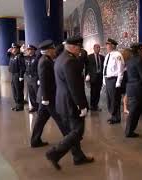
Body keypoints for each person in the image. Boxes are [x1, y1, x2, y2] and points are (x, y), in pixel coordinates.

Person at [46, 36, 93, 170]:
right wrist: (82, 106)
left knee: (72, 131)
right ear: (72, 47)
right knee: (78, 131)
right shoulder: (70, 61)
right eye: (79, 48)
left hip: (62, 101)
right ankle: (54, 153)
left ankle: (78, 157)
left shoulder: (60, 58)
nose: (80, 51)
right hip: (71, 103)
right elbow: (75, 87)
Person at [30, 40, 68, 148]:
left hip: (45, 96)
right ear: (48, 50)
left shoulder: (46, 59)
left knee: (40, 120)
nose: (54, 51)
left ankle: (35, 140)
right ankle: (70, 139)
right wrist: (45, 97)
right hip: (47, 97)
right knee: (59, 117)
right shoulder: (45, 61)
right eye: (52, 49)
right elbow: (44, 80)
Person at [102, 38, 125, 124]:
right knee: (109, 99)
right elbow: (105, 68)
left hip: (114, 80)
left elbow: (120, 70)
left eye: (108, 44)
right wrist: (104, 80)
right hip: (108, 80)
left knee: (115, 99)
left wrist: (118, 82)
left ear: (112, 45)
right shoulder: (108, 55)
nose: (106, 46)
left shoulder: (118, 55)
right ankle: (113, 116)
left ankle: (116, 118)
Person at [85, 44, 104, 111]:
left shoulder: (102, 57)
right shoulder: (89, 57)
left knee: (98, 92)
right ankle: (92, 106)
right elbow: (87, 67)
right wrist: (87, 75)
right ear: (94, 48)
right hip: (93, 77)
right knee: (93, 92)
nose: (98, 49)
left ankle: (96, 105)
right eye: (97, 47)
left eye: (99, 47)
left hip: (100, 77)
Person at [7, 43, 25, 111]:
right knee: (14, 90)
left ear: (17, 49)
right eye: (12, 48)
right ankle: (17, 104)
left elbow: (22, 67)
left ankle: (20, 106)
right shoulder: (12, 55)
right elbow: (8, 55)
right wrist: (8, 51)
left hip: (17, 75)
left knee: (18, 90)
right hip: (13, 74)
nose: (13, 49)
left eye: (14, 48)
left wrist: (21, 76)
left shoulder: (19, 56)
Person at [24, 44, 39, 113]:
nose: (28, 51)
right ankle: (34, 107)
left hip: (35, 78)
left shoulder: (36, 58)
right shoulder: (26, 58)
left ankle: (39, 108)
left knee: (37, 93)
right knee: (31, 93)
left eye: (30, 49)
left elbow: (39, 69)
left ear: (33, 50)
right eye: (28, 49)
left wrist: (39, 78)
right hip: (28, 78)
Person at [121, 48, 132, 114]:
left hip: (123, 78)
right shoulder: (127, 61)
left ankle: (125, 107)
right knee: (126, 93)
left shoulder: (123, 60)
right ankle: (125, 108)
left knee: (125, 94)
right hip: (126, 77)